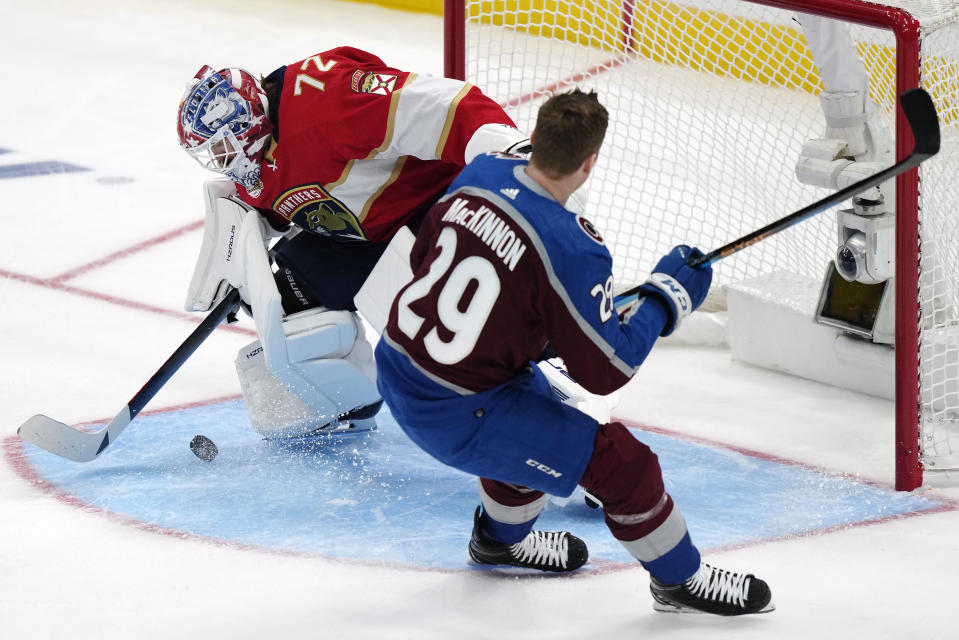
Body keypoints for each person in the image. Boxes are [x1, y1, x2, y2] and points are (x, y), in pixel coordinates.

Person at [374, 89, 774, 615]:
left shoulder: (482, 172)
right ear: (589, 163)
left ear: (533, 139)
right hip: (452, 410)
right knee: (622, 465)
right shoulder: (572, 246)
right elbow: (608, 367)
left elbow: (428, 258)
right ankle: (679, 581)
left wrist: (527, 334)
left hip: (399, 364)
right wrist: (665, 299)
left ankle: (498, 542)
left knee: (535, 421)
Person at [174, 47, 531, 440]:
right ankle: (345, 405)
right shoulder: (254, 159)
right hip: (364, 233)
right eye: (213, 152)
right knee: (286, 299)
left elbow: (437, 107)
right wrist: (233, 267)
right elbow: (281, 207)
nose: (222, 159)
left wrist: (507, 151)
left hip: (435, 204)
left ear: (247, 124)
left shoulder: (326, 98)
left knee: (451, 328)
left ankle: (545, 388)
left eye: (223, 145)